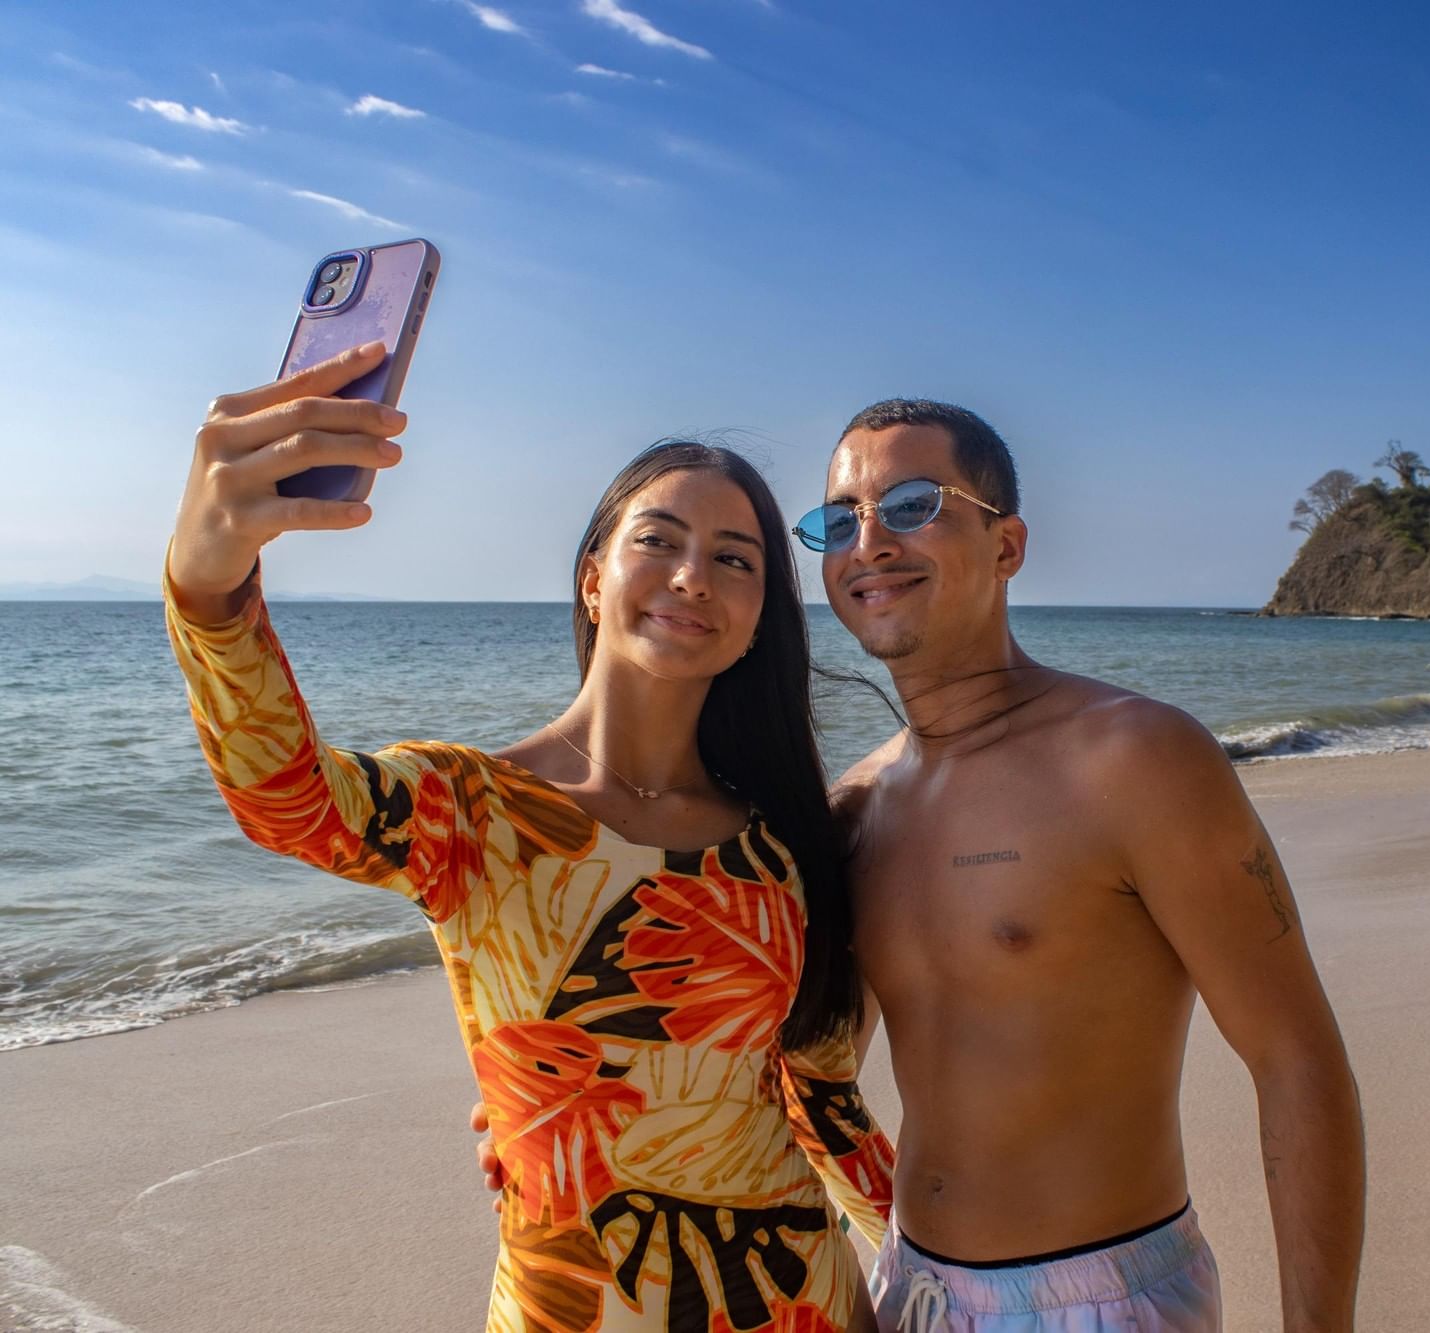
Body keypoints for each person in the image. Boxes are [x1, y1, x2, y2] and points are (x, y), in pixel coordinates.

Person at [484, 399, 1367, 1331]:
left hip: (1098, 1298)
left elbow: (1295, 1057)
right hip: (905, 1289)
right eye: (839, 518)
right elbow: (783, 1076)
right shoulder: (852, 814)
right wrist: (546, 1111)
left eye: (911, 505)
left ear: (1006, 544)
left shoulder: (1133, 760)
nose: (868, 542)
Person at [165, 342, 894, 1333]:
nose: (691, 577)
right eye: (659, 541)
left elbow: (819, 1103)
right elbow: (288, 797)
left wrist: (944, 1278)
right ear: (594, 579)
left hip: (797, 1300)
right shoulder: (478, 809)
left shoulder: (781, 845)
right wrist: (208, 587)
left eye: (733, 559)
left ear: (758, 615)